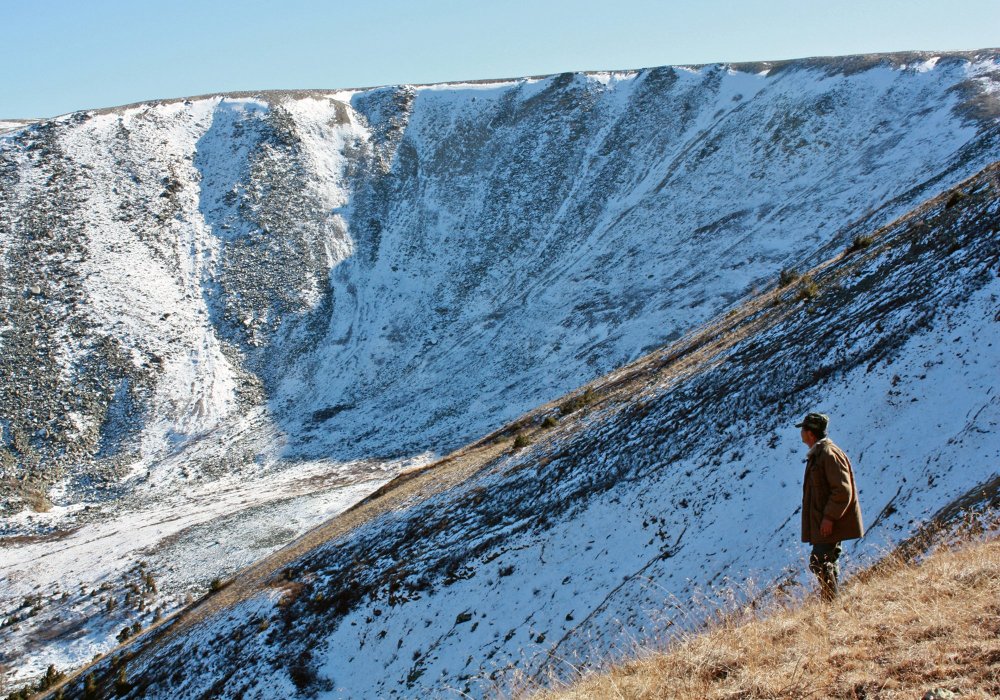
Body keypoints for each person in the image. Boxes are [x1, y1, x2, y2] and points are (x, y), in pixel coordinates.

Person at [797, 412, 863, 600]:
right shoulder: (819, 454)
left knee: (820, 561)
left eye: (803, 429)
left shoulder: (828, 454)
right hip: (822, 522)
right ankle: (831, 601)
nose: (801, 433)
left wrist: (829, 517)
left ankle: (831, 602)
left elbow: (842, 491)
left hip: (828, 523)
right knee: (825, 562)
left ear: (810, 433)